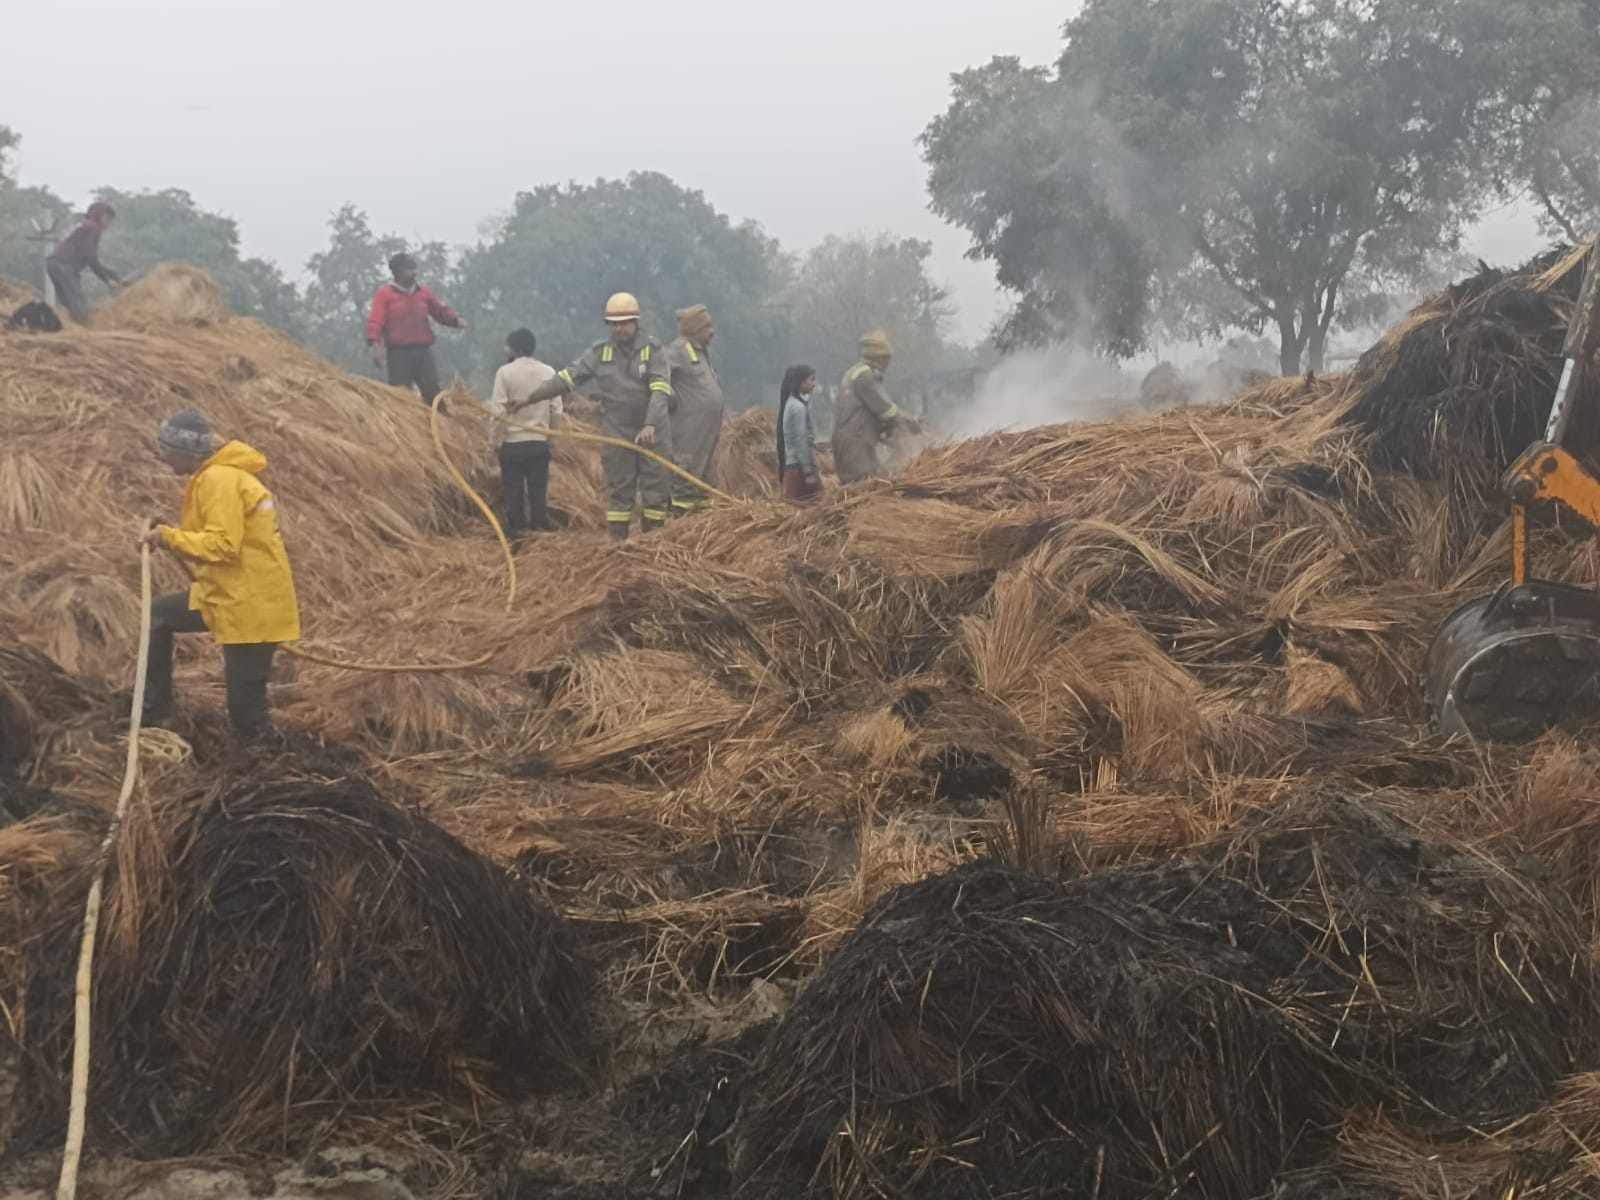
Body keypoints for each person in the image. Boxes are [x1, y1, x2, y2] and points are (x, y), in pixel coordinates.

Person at [139, 411, 301, 738]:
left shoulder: (219, 480)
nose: (163, 457)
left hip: (249, 607)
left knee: (247, 716)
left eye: (166, 449)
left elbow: (223, 546)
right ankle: (156, 714)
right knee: (157, 615)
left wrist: (170, 538)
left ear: (185, 451)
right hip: (226, 596)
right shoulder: (218, 477)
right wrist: (170, 533)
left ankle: (276, 765)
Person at [521, 292, 674, 540]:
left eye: (624, 323)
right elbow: (568, 378)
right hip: (617, 431)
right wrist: (530, 397)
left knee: (655, 493)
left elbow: (660, 390)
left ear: (636, 322)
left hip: (653, 432)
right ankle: (618, 548)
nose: (619, 329)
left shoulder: (653, 350)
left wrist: (650, 424)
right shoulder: (599, 352)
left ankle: (653, 546)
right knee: (619, 493)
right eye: (614, 324)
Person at [365, 252, 466, 406]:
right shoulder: (384, 295)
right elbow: (375, 322)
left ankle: (439, 425)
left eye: (414, 268)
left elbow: (439, 310)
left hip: (423, 351)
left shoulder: (423, 292)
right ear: (397, 272)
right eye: (409, 269)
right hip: (399, 354)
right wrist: (376, 346)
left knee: (433, 394)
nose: (414, 272)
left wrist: (456, 319)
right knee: (401, 397)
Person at [491, 327, 561, 536]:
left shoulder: (505, 372)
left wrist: (494, 442)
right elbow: (556, 409)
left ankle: (516, 532)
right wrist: (552, 439)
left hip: (512, 444)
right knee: (538, 489)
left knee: (513, 490)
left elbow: (497, 412)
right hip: (539, 442)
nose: (505, 350)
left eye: (507, 346)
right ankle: (540, 529)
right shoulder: (548, 371)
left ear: (515, 348)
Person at [666, 304, 725, 515]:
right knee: (685, 488)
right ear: (694, 328)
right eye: (707, 326)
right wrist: (669, 396)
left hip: (706, 441)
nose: (712, 330)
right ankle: (681, 531)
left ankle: (702, 535)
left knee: (703, 490)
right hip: (687, 440)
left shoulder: (701, 353)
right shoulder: (678, 350)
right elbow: (656, 378)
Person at [832, 330, 905, 484]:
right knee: (861, 487)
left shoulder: (855, 371)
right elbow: (886, 409)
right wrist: (908, 423)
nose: (889, 363)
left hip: (850, 439)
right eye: (888, 358)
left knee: (855, 487)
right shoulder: (865, 375)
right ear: (880, 357)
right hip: (856, 442)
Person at [46, 201, 123, 325]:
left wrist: (109, 274)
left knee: (68, 307)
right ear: (99, 215)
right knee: (80, 309)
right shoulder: (94, 228)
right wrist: (107, 280)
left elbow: (90, 258)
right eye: (107, 218)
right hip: (64, 266)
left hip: (53, 264)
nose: (108, 223)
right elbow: (91, 258)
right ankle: (85, 334)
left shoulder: (85, 225)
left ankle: (68, 330)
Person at [777, 364, 822, 503]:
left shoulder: (790, 404)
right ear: (801, 382)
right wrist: (808, 471)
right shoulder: (797, 407)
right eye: (812, 380)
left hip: (794, 466)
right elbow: (801, 440)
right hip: (800, 469)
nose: (814, 384)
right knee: (816, 508)